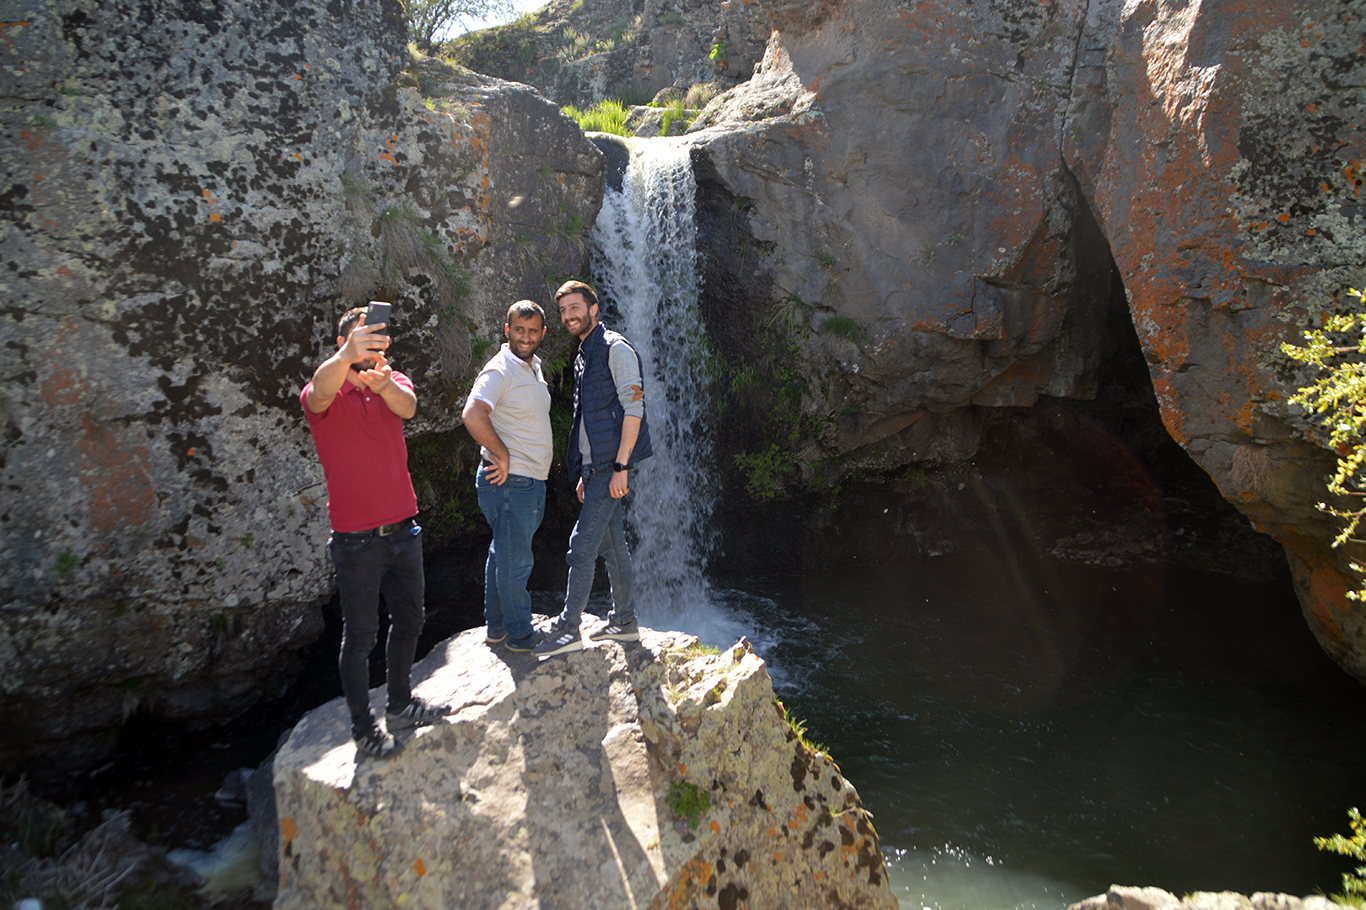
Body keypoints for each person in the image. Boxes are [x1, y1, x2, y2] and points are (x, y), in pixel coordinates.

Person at [301, 303, 450, 759]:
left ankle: (400, 705)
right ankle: (363, 727)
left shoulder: (392, 380)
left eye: (376, 338)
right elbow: (318, 393)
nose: (370, 347)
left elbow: (408, 406)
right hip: (356, 539)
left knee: (410, 620)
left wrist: (383, 385)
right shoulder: (326, 390)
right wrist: (347, 356)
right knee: (360, 636)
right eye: (360, 338)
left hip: (403, 529)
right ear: (342, 342)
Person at [534, 280, 653, 659]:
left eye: (575, 307)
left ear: (593, 308)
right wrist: (584, 469)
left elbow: (634, 409)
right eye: (563, 310)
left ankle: (568, 628)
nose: (569, 315)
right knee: (613, 548)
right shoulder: (585, 353)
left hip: (610, 466)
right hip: (595, 468)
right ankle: (625, 621)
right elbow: (589, 420)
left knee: (581, 548)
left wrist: (621, 467)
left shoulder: (615, 348)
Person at [462, 301, 553, 653]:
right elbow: (473, 414)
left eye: (532, 331)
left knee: (503, 553)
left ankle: (497, 628)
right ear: (507, 330)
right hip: (512, 482)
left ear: (542, 333)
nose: (525, 337)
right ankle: (520, 636)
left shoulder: (532, 367)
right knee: (515, 561)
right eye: (519, 330)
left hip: (524, 481)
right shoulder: (500, 369)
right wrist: (501, 454)